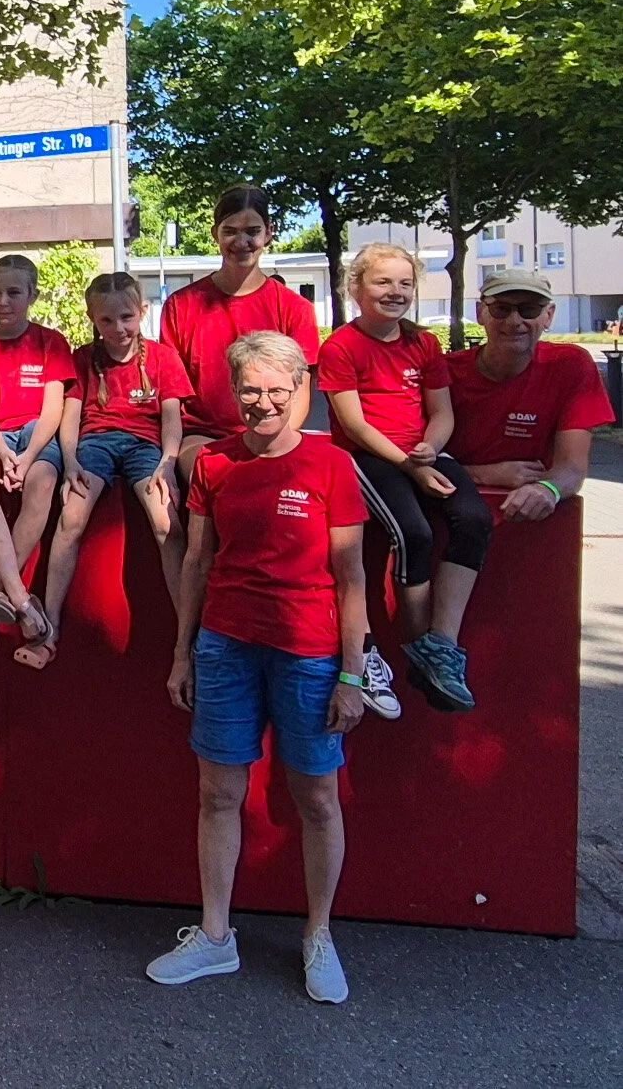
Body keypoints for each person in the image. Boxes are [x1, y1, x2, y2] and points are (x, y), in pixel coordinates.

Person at [149, 332, 367, 1005]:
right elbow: (196, 561)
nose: (264, 403)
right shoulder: (213, 463)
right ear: (234, 392)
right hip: (225, 646)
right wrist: (183, 652)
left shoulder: (330, 464)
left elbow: (351, 574)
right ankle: (215, 937)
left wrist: (353, 674)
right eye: (251, 390)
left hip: (308, 651)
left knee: (318, 799)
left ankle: (319, 936)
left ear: (300, 389)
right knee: (219, 792)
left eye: (279, 390)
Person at [319, 244, 491, 713]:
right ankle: (418, 645)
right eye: (382, 282)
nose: (395, 292)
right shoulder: (340, 347)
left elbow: (442, 413)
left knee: (474, 519)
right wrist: (411, 467)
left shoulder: (424, 343)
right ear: (356, 289)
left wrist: (430, 450)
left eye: (405, 283)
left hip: (421, 451)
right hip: (369, 456)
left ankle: (441, 644)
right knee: (411, 532)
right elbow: (354, 425)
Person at [39, 272, 191, 663]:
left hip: (146, 446)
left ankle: (188, 635)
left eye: (126, 317)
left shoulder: (162, 357)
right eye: (107, 320)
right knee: (71, 517)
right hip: (95, 444)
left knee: (166, 523)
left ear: (141, 311)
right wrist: (69, 459)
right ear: (93, 317)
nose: (118, 328)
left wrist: (168, 463)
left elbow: (171, 418)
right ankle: (48, 623)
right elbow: (70, 416)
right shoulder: (83, 359)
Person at [160, 186, 320, 494]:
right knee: (218, 482)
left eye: (252, 231)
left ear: (269, 233)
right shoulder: (181, 305)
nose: (242, 242)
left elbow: (300, 390)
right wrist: (168, 456)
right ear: (215, 234)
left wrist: (276, 439)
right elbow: (171, 392)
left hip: (273, 431)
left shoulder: (294, 309)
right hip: (201, 436)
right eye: (230, 231)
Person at [0, 255, 76, 661]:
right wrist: (6, 452)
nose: (3, 301)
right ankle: (21, 597)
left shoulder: (51, 342)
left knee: (42, 481)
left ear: (32, 295)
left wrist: (26, 457)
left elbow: (53, 409)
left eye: (13, 293)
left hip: (36, 436)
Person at [447, 268, 613, 519]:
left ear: (548, 316)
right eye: (501, 308)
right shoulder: (444, 372)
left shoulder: (570, 365)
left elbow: (571, 468)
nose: (514, 321)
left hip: (529, 520)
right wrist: (483, 473)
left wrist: (547, 489)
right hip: (449, 514)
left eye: (529, 309)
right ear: (480, 312)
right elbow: (412, 463)